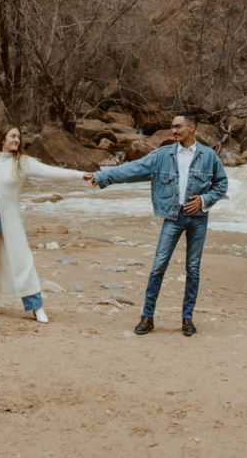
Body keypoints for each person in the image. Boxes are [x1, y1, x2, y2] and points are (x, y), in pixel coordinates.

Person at [90, 114, 227, 336]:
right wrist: (103, 176)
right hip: (173, 217)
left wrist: (204, 200)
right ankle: (147, 317)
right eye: (172, 127)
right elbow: (132, 169)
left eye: (178, 126)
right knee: (158, 266)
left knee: (193, 268)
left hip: (199, 219)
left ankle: (187, 319)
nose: (174, 130)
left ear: (191, 128)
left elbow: (221, 184)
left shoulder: (209, 156)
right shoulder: (163, 155)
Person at [0, 124, 86, 324]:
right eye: (13, 136)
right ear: (2, 139)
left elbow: (52, 172)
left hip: (7, 215)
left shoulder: (23, 162)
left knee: (21, 258)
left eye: (18, 137)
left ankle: (36, 306)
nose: (17, 140)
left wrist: (81, 176)